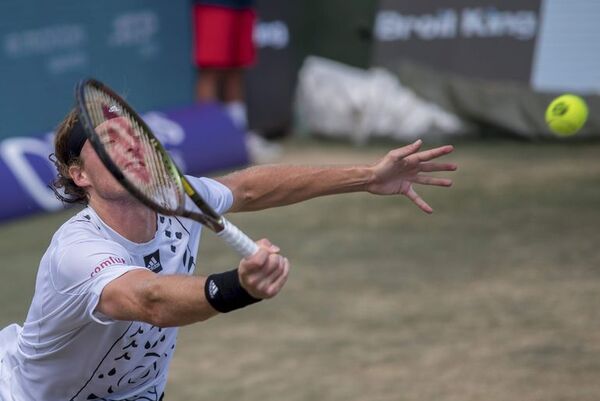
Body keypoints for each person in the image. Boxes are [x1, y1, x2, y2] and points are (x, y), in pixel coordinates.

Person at [0, 105, 457, 400]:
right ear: (79, 175)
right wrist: (238, 287)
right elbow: (149, 300)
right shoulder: (77, 250)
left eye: (133, 134)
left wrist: (367, 177)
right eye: (108, 141)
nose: (130, 145)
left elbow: (249, 188)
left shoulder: (175, 197)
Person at [192, 0, 281, 162]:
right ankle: (210, 140)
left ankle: (239, 136)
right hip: (213, 4)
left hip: (243, 5)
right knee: (211, 70)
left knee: (237, 69)